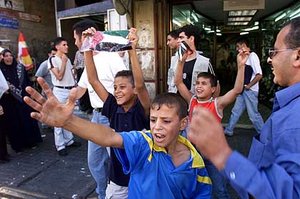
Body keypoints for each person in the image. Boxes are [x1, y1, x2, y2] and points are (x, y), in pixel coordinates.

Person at [24, 82, 212, 198]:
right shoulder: (144, 143)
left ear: (183, 123)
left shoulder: (195, 162)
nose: (157, 127)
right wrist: (69, 121)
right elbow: (109, 137)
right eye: (153, 120)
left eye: (166, 121)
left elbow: (201, 194)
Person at [188, 17, 300, 198]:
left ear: (297, 56)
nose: (270, 59)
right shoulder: (288, 108)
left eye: (275, 52)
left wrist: (222, 154)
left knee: (253, 114)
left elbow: (288, 194)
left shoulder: (295, 119)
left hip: (250, 90)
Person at [83, 27, 150, 198]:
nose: (117, 91)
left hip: (143, 176)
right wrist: (87, 47)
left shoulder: (142, 108)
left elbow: (141, 85)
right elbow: (93, 80)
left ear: (134, 90)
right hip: (118, 179)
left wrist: (132, 49)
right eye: (114, 88)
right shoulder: (113, 107)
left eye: (122, 87)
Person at [174, 46, 245, 199]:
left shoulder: (217, 104)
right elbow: (178, 82)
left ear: (213, 89)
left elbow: (237, 90)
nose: (198, 86)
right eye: (197, 83)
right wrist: (181, 62)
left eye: (204, 84)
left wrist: (241, 66)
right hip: (193, 153)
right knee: (193, 187)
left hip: (213, 155)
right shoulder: (192, 100)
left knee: (219, 191)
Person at [73, 19, 127, 199]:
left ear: (85, 36)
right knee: (95, 161)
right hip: (95, 116)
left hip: (112, 116)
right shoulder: (89, 61)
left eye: (76, 38)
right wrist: (64, 105)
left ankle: (119, 193)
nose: (75, 43)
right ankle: (102, 193)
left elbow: (127, 84)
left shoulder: (111, 57)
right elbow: (82, 88)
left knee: (117, 160)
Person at [0, 49, 42, 153]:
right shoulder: (1, 70)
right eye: (6, 56)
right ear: (2, 57)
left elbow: (27, 82)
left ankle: (31, 141)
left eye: (10, 55)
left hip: (23, 99)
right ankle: (18, 145)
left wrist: (30, 94)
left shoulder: (20, 67)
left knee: (27, 120)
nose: (8, 58)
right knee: (14, 123)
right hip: (9, 101)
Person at [224, 38, 264, 136]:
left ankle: (264, 133)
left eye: (238, 46)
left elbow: (259, 75)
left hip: (250, 90)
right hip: (243, 90)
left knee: (253, 115)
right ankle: (228, 130)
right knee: (235, 111)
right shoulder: (242, 57)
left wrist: (248, 86)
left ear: (243, 45)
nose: (237, 49)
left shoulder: (253, 56)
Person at [48, 37, 80, 156]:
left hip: (69, 89)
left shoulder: (66, 58)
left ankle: (69, 140)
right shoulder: (52, 60)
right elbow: (59, 76)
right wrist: (64, 63)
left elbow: (71, 74)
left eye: (67, 44)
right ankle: (60, 145)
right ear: (57, 47)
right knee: (58, 117)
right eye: (64, 45)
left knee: (68, 116)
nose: (67, 46)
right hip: (60, 91)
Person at [167, 25, 219, 96]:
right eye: (178, 38)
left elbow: (216, 85)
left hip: (194, 102)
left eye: (181, 37)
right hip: (176, 102)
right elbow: (170, 81)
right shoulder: (174, 59)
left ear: (191, 38)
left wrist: (210, 104)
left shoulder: (204, 62)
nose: (178, 41)